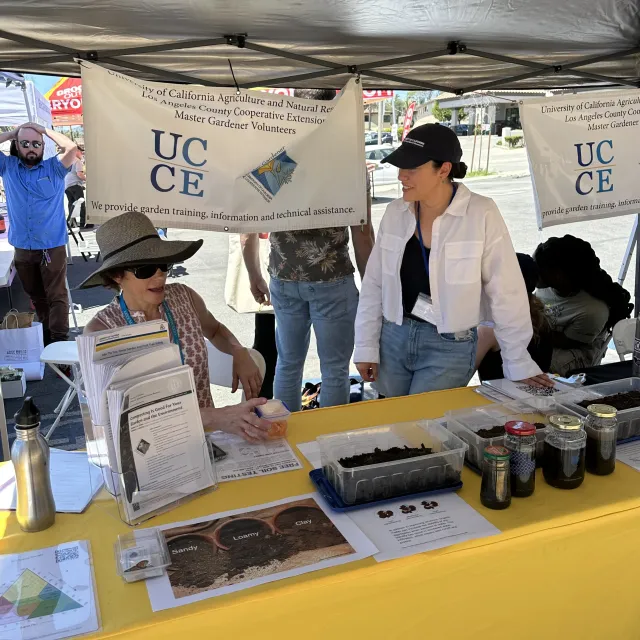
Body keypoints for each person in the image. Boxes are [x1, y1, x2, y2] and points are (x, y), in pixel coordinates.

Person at [354, 123, 550, 397]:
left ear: (443, 170)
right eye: (400, 167)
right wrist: (366, 346)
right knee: (394, 428)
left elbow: (505, 289)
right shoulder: (395, 213)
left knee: (425, 429)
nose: (401, 176)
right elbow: (374, 284)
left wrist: (518, 360)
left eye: (412, 169)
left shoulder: (481, 212)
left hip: (449, 346)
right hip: (393, 338)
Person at [79, 211, 271, 443]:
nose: (159, 275)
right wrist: (214, 417)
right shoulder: (102, 332)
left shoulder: (184, 297)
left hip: (207, 443)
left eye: (162, 264)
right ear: (117, 275)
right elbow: (114, 420)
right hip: (147, 454)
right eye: (145, 269)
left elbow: (215, 330)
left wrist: (238, 350)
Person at [243, 88, 375, 412]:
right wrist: (373, 289)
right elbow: (363, 235)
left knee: (287, 364)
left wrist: (253, 274)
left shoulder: (277, 163)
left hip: (284, 279)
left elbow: (247, 225)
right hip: (333, 281)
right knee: (334, 371)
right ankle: (330, 440)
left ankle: (287, 434)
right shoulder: (348, 166)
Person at [0, 123, 77, 345]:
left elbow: (71, 148)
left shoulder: (54, 168)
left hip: (52, 247)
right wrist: (13, 133)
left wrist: (43, 131)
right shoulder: (8, 167)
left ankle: (60, 343)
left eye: (36, 144)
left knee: (57, 297)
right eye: (25, 144)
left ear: (43, 147)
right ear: (16, 145)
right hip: (23, 249)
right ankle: (47, 338)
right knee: (36, 297)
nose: (31, 148)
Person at [534, 235, 633, 375]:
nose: (534, 272)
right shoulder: (546, 284)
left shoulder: (593, 310)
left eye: (538, 269)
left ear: (559, 275)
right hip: (545, 341)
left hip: (575, 356)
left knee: (529, 363)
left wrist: (529, 328)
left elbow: (565, 343)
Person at [476, 253, 552, 381]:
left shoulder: (490, 329)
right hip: (536, 396)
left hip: (499, 398)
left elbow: (457, 376)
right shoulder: (540, 317)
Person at [65, 146, 91, 229]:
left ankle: (72, 222)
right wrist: (88, 179)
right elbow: (79, 174)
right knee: (81, 203)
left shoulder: (67, 161)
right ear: (76, 151)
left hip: (67, 185)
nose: (82, 153)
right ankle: (84, 222)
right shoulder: (77, 161)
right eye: (81, 151)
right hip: (75, 184)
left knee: (71, 203)